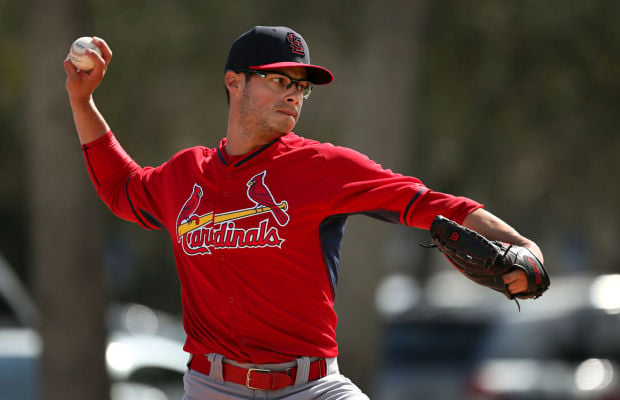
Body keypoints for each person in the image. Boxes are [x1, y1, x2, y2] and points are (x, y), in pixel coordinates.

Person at [64, 26, 544, 400]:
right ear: (235, 82)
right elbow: (121, 186)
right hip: (212, 387)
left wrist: (523, 248)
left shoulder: (324, 167)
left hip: (309, 386)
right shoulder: (186, 174)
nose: (293, 93)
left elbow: (433, 205)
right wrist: (82, 100)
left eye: (300, 85)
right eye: (278, 80)